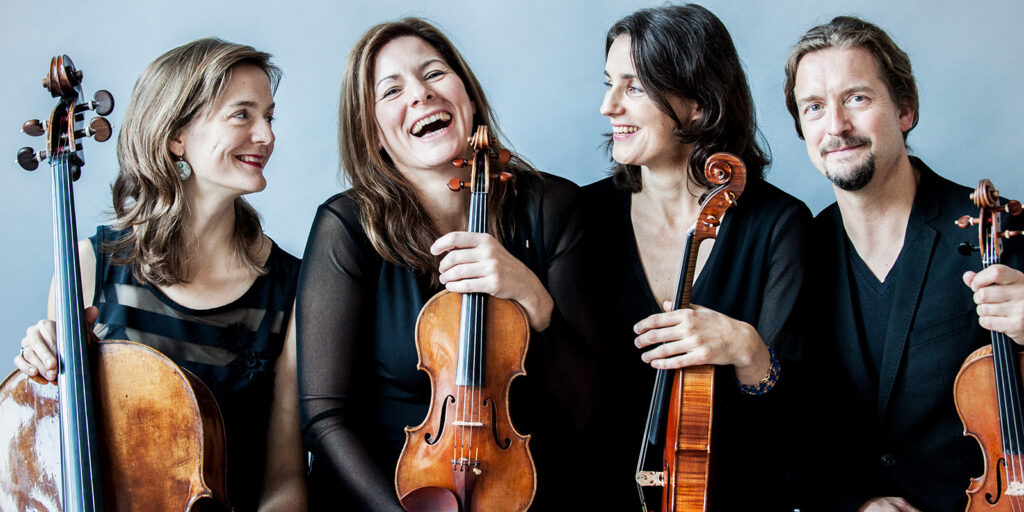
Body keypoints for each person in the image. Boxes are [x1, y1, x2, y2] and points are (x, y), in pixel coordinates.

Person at [294, 17, 591, 511]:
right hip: (388, 497)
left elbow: (587, 412)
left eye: (433, 74)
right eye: (391, 91)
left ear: (466, 93)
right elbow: (326, 419)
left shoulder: (551, 208)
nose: (420, 95)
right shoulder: (347, 226)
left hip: (529, 497)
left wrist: (532, 297)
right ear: (373, 134)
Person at [14, 38, 307, 511]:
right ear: (176, 136)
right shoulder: (90, 266)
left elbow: (286, 477)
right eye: (242, 115)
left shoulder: (291, 287)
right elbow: (50, 453)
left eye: (268, 117)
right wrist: (41, 366)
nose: (267, 135)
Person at [784, 16, 1024, 511]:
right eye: (814, 107)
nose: (836, 126)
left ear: (905, 110)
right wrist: (857, 503)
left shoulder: (996, 233)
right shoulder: (797, 250)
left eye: (857, 98)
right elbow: (791, 423)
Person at [579, 4, 811, 510]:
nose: (608, 106)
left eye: (634, 87)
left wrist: (748, 351)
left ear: (700, 105)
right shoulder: (584, 216)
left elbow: (798, 431)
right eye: (609, 83)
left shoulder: (777, 225)